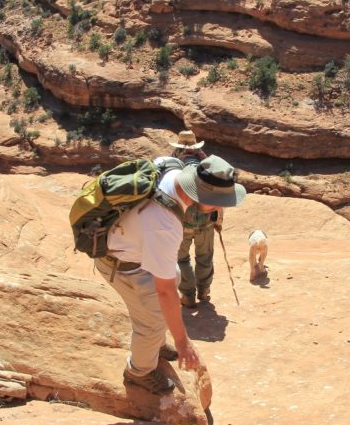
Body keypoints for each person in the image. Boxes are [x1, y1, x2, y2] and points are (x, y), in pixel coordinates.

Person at [95, 155, 246, 394]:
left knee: (173, 274)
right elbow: (164, 292)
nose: (218, 208)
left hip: (129, 244)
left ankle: (153, 343)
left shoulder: (172, 168)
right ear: (200, 195)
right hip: (122, 262)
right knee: (152, 320)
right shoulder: (166, 224)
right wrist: (182, 342)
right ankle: (139, 371)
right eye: (217, 201)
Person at [166, 130, 221, 307]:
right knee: (205, 256)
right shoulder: (207, 166)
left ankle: (188, 295)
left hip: (181, 223)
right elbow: (219, 195)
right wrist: (218, 220)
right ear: (196, 146)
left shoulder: (173, 166)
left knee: (181, 259)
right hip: (206, 221)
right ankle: (204, 291)